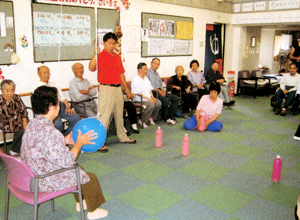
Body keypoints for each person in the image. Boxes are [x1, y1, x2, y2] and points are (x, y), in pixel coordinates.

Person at [21, 86, 108, 219]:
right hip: (45, 179)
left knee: (78, 169)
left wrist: (64, 140)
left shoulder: (33, 124)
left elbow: (42, 145)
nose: (59, 105)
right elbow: (68, 161)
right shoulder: (51, 132)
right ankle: (93, 211)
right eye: (57, 102)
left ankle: (80, 202)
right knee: (89, 177)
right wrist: (79, 143)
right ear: (51, 106)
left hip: (31, 174)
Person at [88, 32, 136, 144]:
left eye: (114, 43)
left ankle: (123, 137)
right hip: (106, 88)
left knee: (120, 114)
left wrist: (127, 90)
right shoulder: (100, 55)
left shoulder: (117, 57)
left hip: (118, 89)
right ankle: (99, 142)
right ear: (104, 43)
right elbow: (91, 67)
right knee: (104, 116)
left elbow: (121, 75)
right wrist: (96, 54)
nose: (111, 46)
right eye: (109, 43)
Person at [35, 65, 81, 135]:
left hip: (61, 107)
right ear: (39, 74)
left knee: (76, 118)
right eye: (44, 73)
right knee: (58, 124)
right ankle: (59, 140)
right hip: (49, 110)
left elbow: (62, 97)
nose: (47, 74)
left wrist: (68, 107)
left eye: (48, 72)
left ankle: (67, 136)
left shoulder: (54, 84)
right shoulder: (37, 87)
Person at [147, 58, 178, 125]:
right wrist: (159, 91)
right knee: (166, 100)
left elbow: (160, 84)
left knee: (175, 98)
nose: (156, 65)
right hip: (153, 92)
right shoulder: (147, 73)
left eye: (158, 64)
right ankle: (164, 116)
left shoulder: (157, 74)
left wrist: (163, 90)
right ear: (151, 63)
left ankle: (170, 115)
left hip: (160, 91)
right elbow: (148, 86)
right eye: (155, 63)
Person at [0, 80, 28, 156]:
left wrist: (25, 122)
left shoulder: (16, 97)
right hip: (6, 122)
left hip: (19, 120)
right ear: (2, 90)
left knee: (33, 126)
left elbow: (24, 110)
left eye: (12, 90)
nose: (10, 93)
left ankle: (27, 149)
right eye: (7, 90)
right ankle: (14, 150)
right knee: (20, 131)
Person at [131, 62, 162, 128]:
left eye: (147, 69)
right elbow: (139, 93)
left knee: (158, 103)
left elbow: (150, 89)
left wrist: (153, 98)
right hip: (139, 99)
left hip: (148, 98)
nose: (146, 71)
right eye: (144, 69)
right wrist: (150, 100)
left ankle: (151, 117)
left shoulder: (146, 79)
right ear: (139, 70)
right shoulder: (135, 79)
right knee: (151, 105)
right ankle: (142, 120)